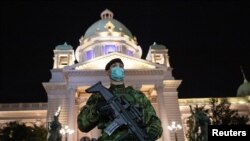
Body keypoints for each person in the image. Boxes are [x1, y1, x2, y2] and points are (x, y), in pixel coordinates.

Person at [77, 58, 163, 141]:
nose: (118, 68)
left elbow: (154, 122)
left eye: (121, 66)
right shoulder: (99, 97)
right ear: (108, 72)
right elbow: (83, 125)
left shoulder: (137, 96)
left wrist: (150, 135)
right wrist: (97, 110)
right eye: (114, 66)